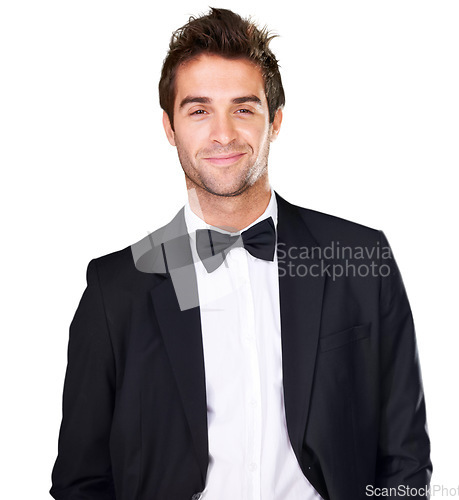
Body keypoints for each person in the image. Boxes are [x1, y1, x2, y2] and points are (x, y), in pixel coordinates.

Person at [50, 8, 432, 500]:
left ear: (275, 120)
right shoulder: (116, 288)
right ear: (169, 127)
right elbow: (80, 481)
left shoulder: (358, 257)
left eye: (244, 108)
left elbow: (405, 458)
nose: (224, 134)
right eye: (199, 110)